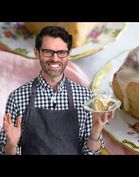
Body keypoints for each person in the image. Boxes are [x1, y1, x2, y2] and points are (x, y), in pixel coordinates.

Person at [0, 26, 114, 155]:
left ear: (69, 55)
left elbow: (90, 152)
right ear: (37, 53)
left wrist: (95, 132)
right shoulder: (18, 97)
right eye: (48, 52)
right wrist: (12, 144)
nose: (55, 59)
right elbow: (5, 151)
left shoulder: (85, 96)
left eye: (61, 52)